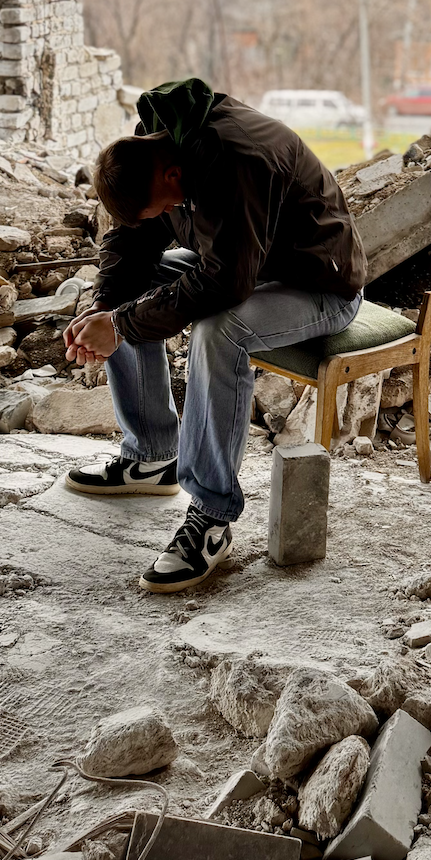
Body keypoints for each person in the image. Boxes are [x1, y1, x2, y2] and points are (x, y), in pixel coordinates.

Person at [62, 77, 366, 592]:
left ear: (173, 174)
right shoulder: (153, 149)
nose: (163, 216)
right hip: (249, 263)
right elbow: (132, 241)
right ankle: (151, 455)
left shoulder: (237, 161)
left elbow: (226, 283)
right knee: (129, 296)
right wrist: (105, 311)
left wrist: (121, 326)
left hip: (320, 284)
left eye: (163, 208)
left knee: (217, 330)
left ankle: (211, 517)